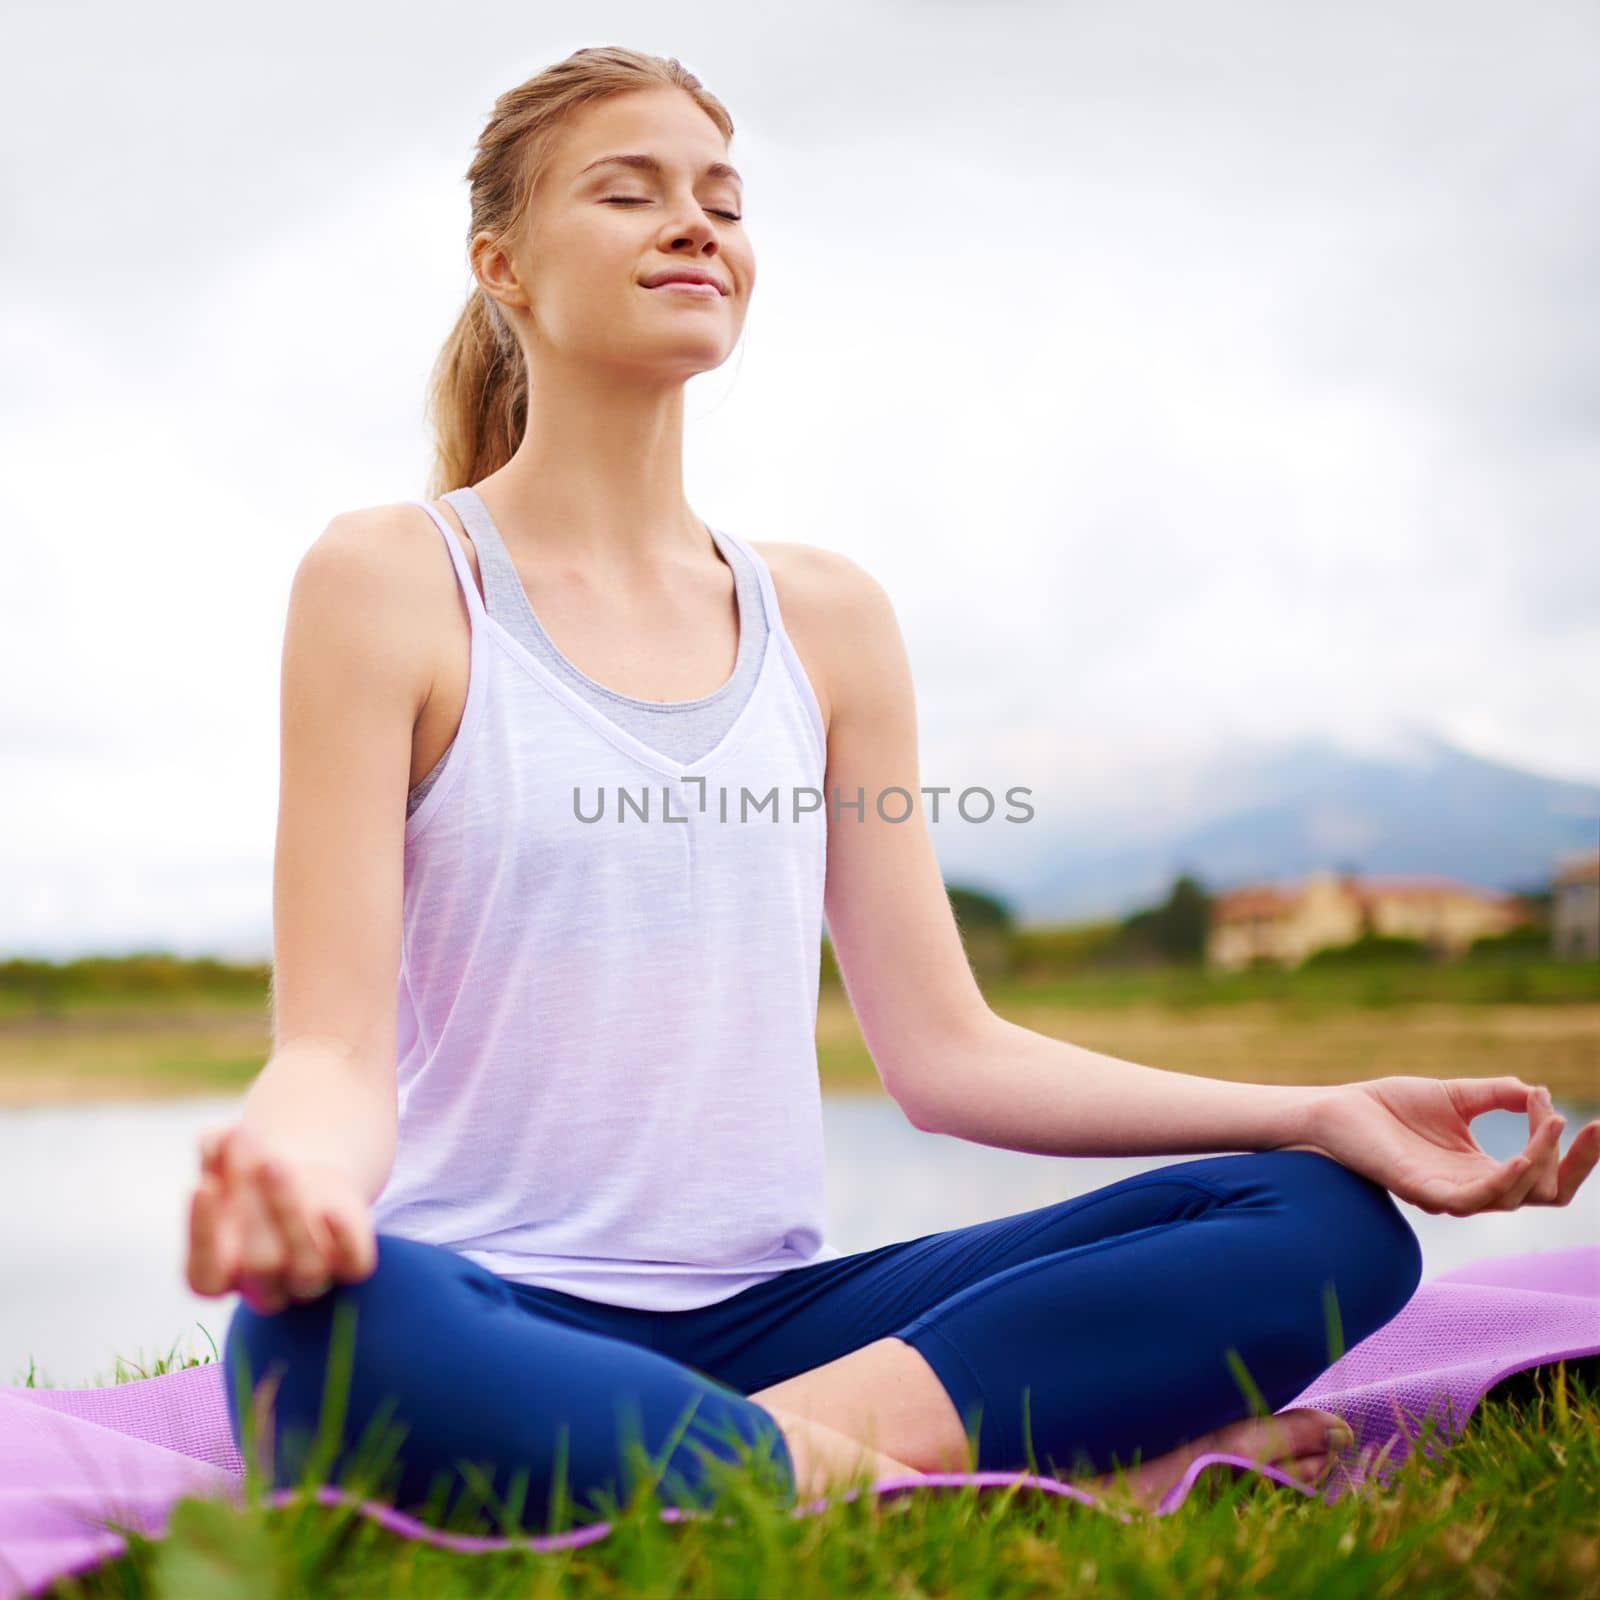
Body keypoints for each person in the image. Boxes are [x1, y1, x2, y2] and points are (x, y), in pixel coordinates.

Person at [185, 46, 1598, 1533]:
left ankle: (715, 1465)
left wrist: (1320, 1108)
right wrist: (300, 1194)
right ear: (503, 267)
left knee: (1319, 1222)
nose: (696, 225)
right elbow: (332, 1054)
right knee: (322, 1335)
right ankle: (964, 1482)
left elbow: (944, 1049)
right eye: (631, 192)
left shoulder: (829, 618)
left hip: (783, 1315)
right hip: (489, 1305)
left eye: (722, 199)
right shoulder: (394, 581)